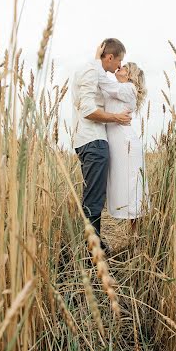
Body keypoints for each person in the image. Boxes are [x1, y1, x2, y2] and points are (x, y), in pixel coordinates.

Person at [71, 38, 131, 253]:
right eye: (119, 60)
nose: (120, 66)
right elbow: (88, 110)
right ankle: (92, 249)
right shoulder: (90, 71)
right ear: (110, 57)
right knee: (94, 198)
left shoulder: (94, 70)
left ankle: (94, 242)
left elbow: (111, 89)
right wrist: (117, 118)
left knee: (94, 195)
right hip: (93, 141)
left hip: (91, 140)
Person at [94, 44, 149, 232]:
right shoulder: (118, 88)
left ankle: (136, 237)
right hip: (117, 143)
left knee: (132, 187)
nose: (120, 67)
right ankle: (133, 236)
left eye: (124, 68)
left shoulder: (129, 89)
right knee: (123, 187)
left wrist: (97, 58)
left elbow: (102, 80)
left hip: (126, 144)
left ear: (130, 76)